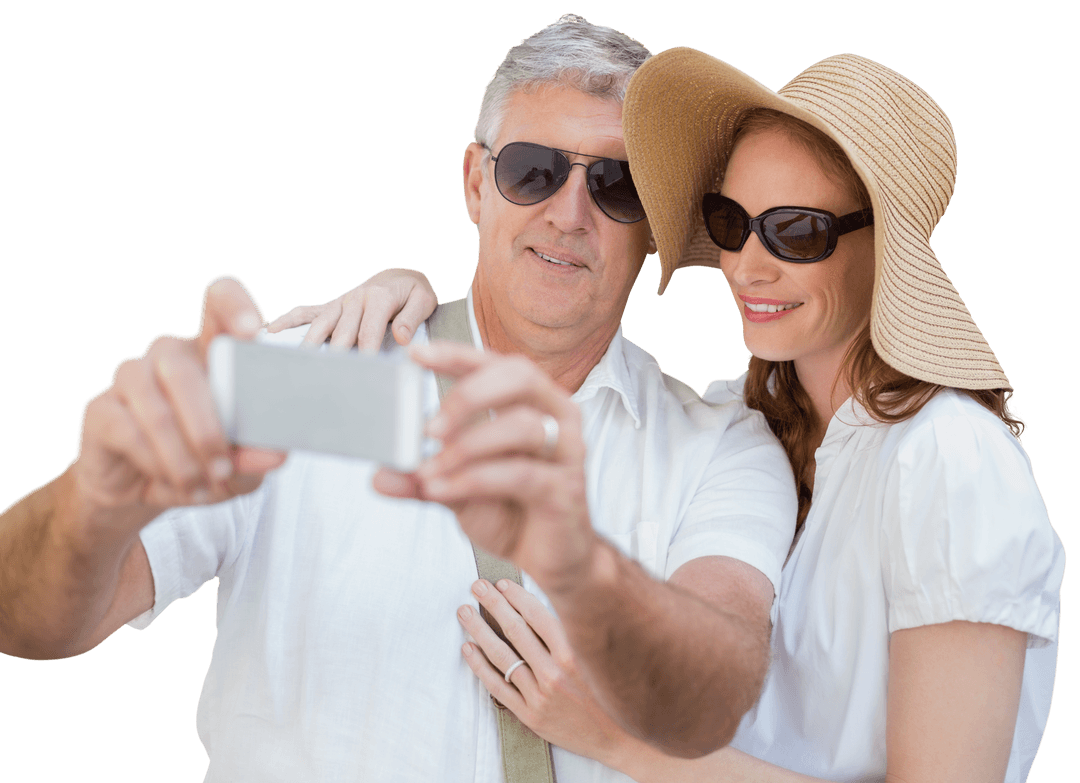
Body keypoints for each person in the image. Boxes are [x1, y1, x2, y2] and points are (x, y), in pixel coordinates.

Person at [0, 17, 797, 782]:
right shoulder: (308, 379)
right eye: (533, 170)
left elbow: (719, 690)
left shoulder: (717, 446)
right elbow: (29, 619)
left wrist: (578, 566)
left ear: (654, 226)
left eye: (616, 185)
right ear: (476, 185)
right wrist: (93, 503)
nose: (568, 212)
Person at [295, 50, 1065, 782]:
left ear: (884, 253)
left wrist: (612, 734)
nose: (750, 264)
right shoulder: (751, 422)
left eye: (798, 231)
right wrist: (408, 296)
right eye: (733, 221)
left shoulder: (948, 460)